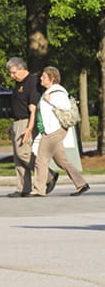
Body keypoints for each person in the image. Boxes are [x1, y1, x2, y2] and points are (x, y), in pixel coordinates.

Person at [29, 66, 89, 197]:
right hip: (51, 130)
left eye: (44, 76)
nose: (41, 78)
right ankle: (81, 183)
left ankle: (38, 189)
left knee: (41, 160)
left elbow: (66, 106)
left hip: (53, 131)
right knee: (62, 161)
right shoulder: (49, 91)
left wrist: (51, 100)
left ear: (52, 78)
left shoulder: (57, 92)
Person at [6, 57, 57, 197]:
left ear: (22, 69)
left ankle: (48, 175)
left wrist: (29, 128)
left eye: (13, 72)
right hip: (18, 122)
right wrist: (13, 125)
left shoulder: (32, 82)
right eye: (10, 73)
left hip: (27, 121)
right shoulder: (18, 83)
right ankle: (23, 188)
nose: (12, 76)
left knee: (23, 152)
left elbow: (33, 108)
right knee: (18, 157)